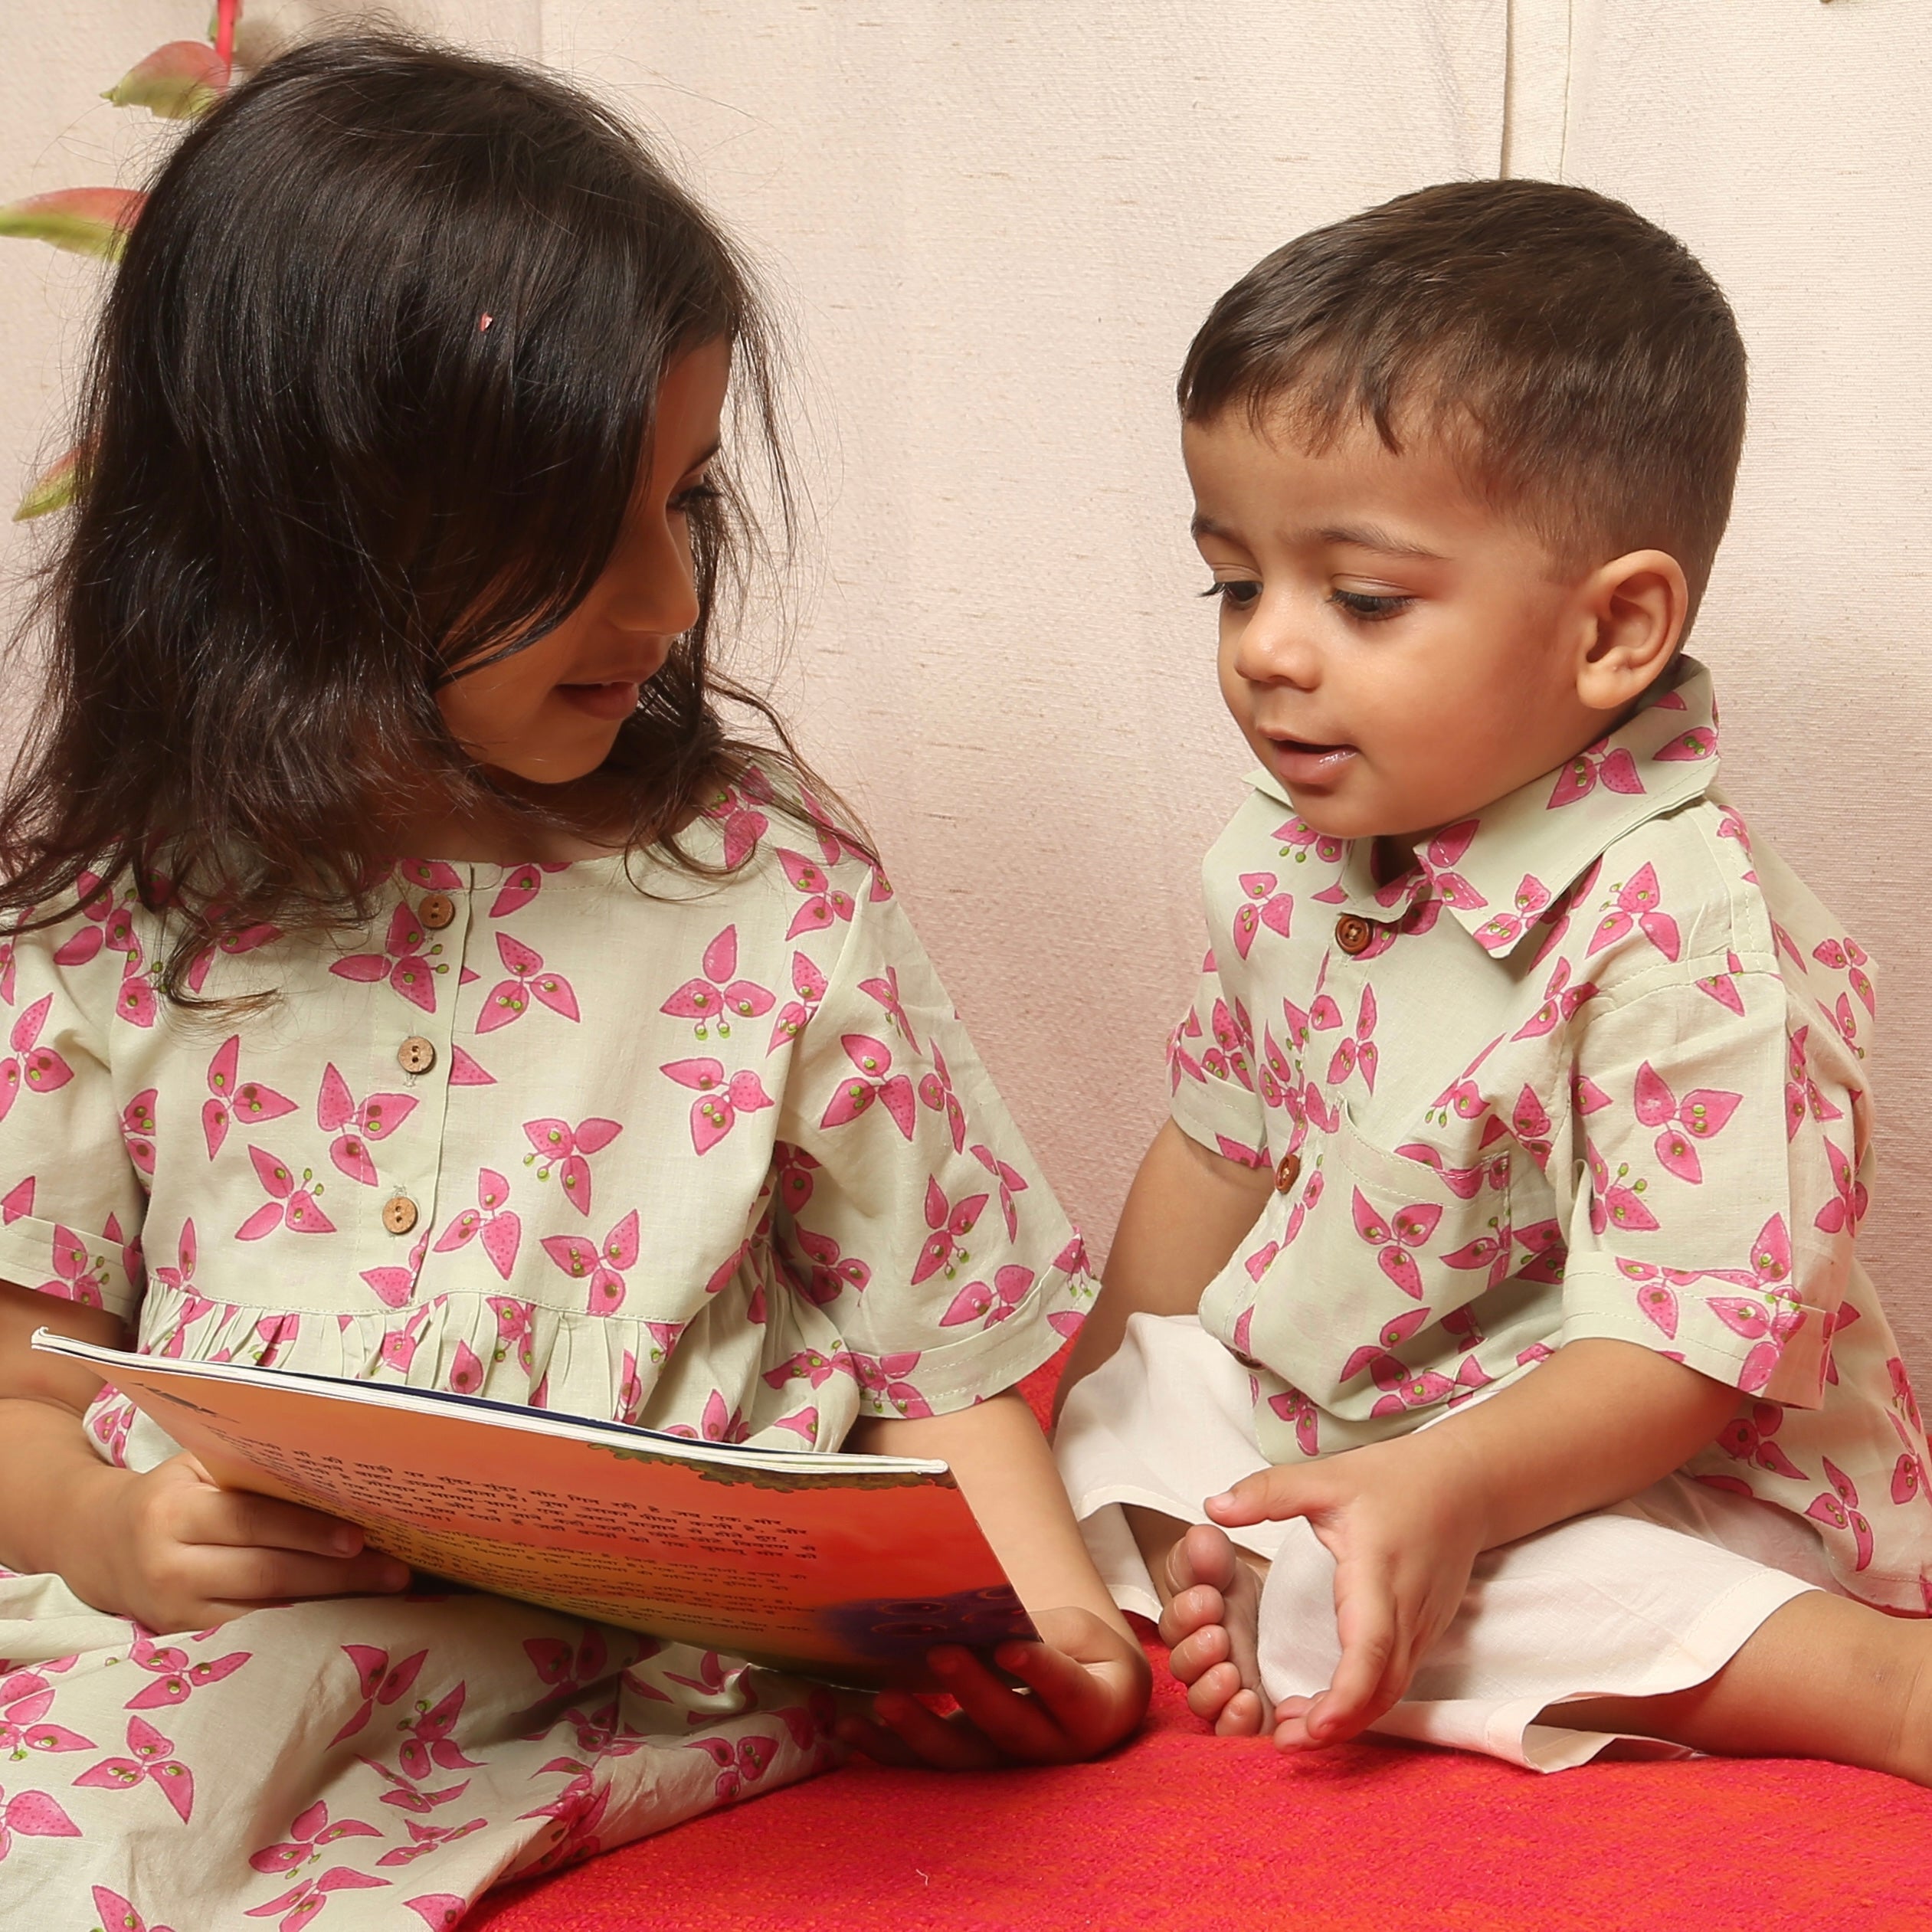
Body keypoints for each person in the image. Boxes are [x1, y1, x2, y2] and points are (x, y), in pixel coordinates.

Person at [0, 34, 1147, 1919]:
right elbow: (22, 1379)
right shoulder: (136, 900)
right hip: (215, 1638)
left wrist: (1066, 1638)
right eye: (570, 536)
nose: (669, 602)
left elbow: (942, 1367)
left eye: (685, 503)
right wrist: (112, 1529)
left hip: (618, 1675)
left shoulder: (766, 885)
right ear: (299, 531)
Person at [1054, 178, 1932, 1779]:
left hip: (1628, 1470)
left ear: (1613, 632)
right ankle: (1278, 1565)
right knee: (1111, 1412)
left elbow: (1678, 1355)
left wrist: (1443, 1489)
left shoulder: (1688, 931)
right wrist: (1084, 1429)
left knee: (1446, 1580)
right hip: (1353, 1408)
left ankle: (1874, 1686)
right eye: (1236, 583)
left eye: (1362, 599)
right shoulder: (1277, 856)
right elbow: (1213, 1153)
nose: (1267, 649)